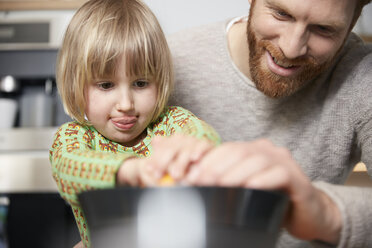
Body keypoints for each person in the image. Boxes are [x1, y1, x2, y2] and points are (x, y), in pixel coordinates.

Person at [167, 0, 372, 247]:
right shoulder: (168, 63)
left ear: (353, 20)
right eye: (281, 14)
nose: (291, 49)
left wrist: (325, 212)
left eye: (323, 29)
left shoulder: (363, 77)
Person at [49, 0, 220, 247]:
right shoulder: (73, 138)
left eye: (140, 83)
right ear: (75, 85)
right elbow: (69, 168)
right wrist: (129, 172)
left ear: (159, 81)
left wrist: (192, 153)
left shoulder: (171, 122)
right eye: (106, 85)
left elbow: (203, 138)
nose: (126, 103)